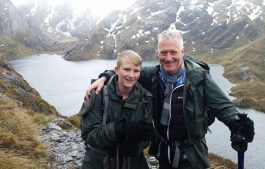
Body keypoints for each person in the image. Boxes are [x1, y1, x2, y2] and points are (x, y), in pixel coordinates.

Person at [85, 29, 255, 169]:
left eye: (173, 52)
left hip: (192, 153)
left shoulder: (199, 77)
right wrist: (104, 77)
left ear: (182, 52)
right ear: (158, 53)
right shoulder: (153, 74)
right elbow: (126, 71)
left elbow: (223, 106)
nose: (168, 58)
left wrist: (236, 123)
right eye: (163, 52)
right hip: (164, 150)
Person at [80, 50, 154, 169]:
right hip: (99, 163)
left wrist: (137, 147)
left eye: (136, 71)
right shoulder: (98, 95)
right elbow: (89, 135)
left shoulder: (146, 99)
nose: (131, 75)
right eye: (127, 69)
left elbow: (147, 135)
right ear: (117, 69)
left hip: (133, 163)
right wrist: (117, 128)